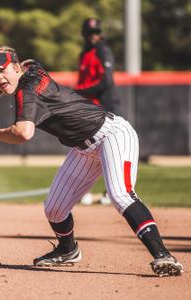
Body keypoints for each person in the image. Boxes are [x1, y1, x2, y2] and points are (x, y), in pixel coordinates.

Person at [0, 45, 184, 276]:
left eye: (1, 71)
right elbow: (30, 60)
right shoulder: (32, 70)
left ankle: (163, 255)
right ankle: (67, 250)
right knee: (54, 208)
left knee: (121, 194)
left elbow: (24, 133)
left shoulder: (27, 91)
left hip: (112, 134)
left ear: (14, 66)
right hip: (83, 149)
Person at [76, 18, 119, 206]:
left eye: (96, 32)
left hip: (106, 106)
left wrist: (82, 91)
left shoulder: (103, 50)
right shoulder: (84, 53)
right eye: (90, 32)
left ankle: (112, 193)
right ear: (84, 34)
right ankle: (82, 191)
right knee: (84, 150)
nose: (94, 35)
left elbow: (107, 81)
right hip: (90, 107)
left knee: (111, 151)